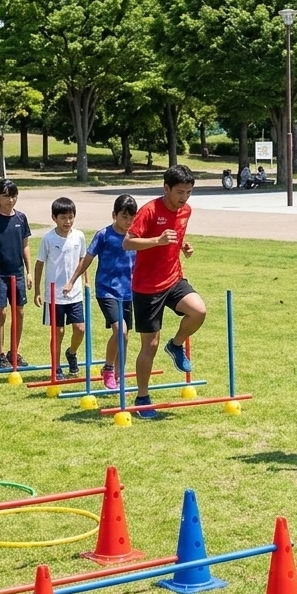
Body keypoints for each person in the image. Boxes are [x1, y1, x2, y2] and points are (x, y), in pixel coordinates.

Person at [124, 165, 207, 419]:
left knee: (199, 311)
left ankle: (176, 344)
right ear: (166, 188)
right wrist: (156, 241)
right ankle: (142, 397)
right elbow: (127, 242)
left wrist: (184, 247)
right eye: (180, 192)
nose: (184, 198)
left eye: (189, 193)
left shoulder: (186, 211)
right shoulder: (149, 211)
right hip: (147, 288)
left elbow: (176, 235)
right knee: (149, 345)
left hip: (173, 278)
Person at [67, 195, 138, 391]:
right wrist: (73, 281)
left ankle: (118, 374)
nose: (128, 222)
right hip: (107, 290)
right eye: (124, 217)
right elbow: (87, 259)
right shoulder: (104, 235)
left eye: (132, 217)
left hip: (128, 292)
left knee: (124, 336)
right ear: (114, 215)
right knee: (120, 330)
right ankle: (108, 369)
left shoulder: (136, 236)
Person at [0, 179, 32, 369]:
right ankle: (0, 354)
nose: (10, 200)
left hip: (17, 274)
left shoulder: (21, 218)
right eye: (6, 196)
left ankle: (14, 352)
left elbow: (25, 246)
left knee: (19, 312)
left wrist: (29, 272)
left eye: (13, 196)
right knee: (0, 313)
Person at [34, 197, 87, 380]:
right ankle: (56, 366)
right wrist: (38, 292)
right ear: (54, 218)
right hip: (54, 295)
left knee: (80, 329)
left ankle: (71, 353)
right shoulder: (48, 239)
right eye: (63, 217)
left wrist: (82, 281)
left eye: (71, 217)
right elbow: (39, 264)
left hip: (75, 293)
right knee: (58, 332)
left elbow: (83, 260)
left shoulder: (79, 236)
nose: (68, 221)